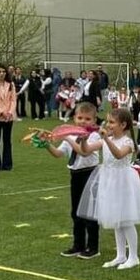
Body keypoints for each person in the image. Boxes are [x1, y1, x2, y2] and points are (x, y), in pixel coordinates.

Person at [77, 108, 140, 269]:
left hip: (123, 182)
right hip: (109, 181)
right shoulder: (106, 140)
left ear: (123, 125)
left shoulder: (128, 142)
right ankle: (120, 255)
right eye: (108, 121)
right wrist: (84, 140)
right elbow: (85, 151)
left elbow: (118, 154)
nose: (108, 125)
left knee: (126, 220)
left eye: (112, 122)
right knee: (116, 220)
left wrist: (106, 138)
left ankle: (133, 256)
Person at [43, 102, 102, 260]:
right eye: (80, 118)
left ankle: (93, 247)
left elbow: (83, 152)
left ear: (94, 120)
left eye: (87, 119)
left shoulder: (94, 136)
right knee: (76, 211)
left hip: (90, 174)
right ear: (74, 118)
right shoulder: (71, 135)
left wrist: (68, 138)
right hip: (75, 175)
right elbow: (58, 154)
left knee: (89, 212)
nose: (83, 121)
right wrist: (46, 144)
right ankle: (78, 245)